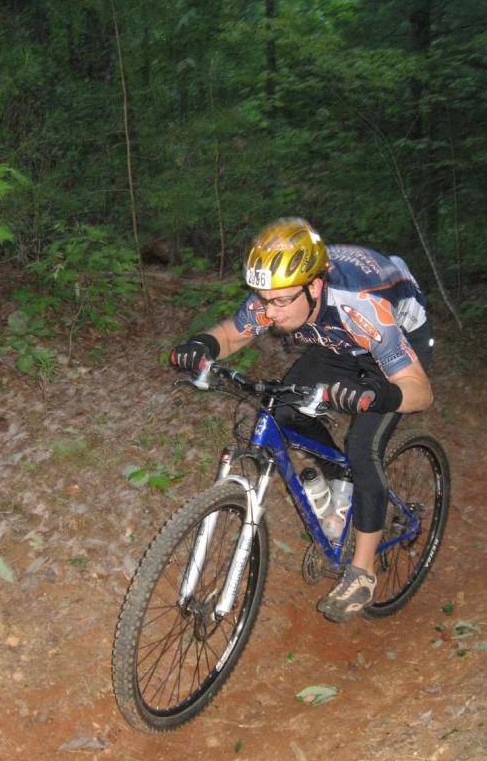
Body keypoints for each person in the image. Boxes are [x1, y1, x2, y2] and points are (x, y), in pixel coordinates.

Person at [170, 217, 434, 622]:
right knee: (282, 409)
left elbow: (420, 392)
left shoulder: (361, 304)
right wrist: (202, 345)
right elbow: (234, 334)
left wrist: (379, 393)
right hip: (335, 338)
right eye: (262, 299)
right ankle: (341, 478)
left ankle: (361, 574)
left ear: (314, 286)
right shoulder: (280, 296)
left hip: (393, 342)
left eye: (279, 302)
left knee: (363, 448)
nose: (269, 313)